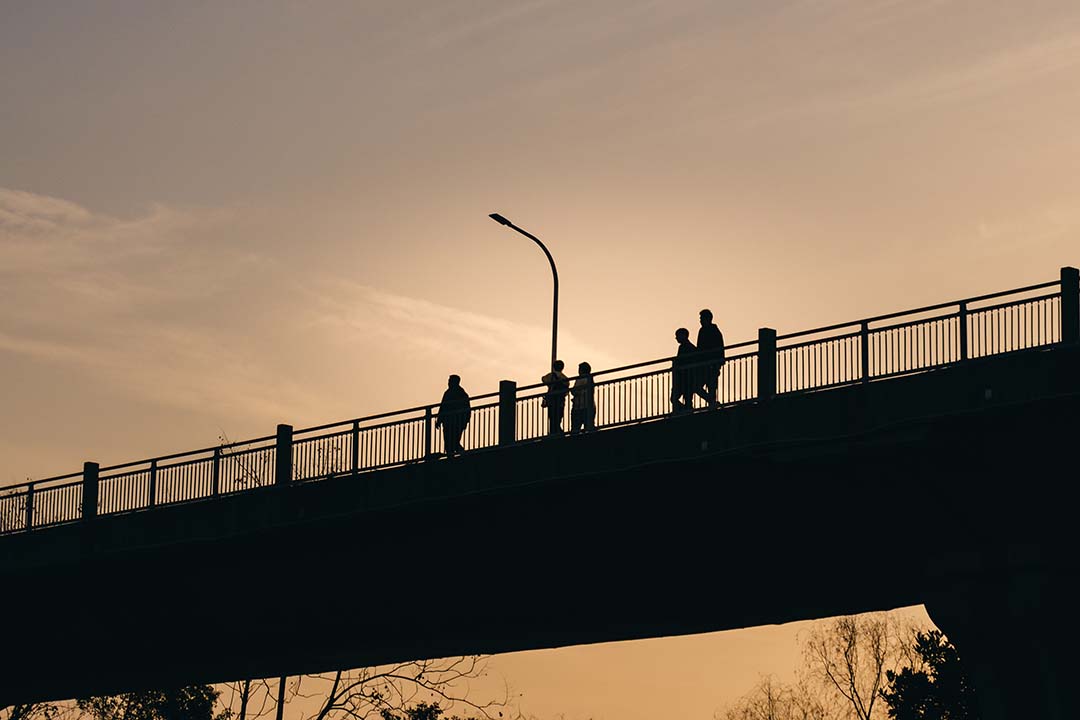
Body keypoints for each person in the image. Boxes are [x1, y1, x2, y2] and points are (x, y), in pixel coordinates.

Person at [695, 308, 726, 408]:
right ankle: (712, 402)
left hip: (712, 364)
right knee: (698, 387)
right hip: (704, 364)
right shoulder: (702, 331)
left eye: (701, 318)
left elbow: (719, 347)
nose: (700, 321)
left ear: (707, 319)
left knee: (711, 386)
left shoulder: (714, 331)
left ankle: (712, 404)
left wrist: (719, 362)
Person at [435, 374, 471, 456]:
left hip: (456, 422)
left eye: (450, 381)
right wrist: (439, 420)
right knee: (449, 443)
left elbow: (467, 409)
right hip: (449, 422)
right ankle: (453, 456)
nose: (448, 383)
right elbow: (443, 407)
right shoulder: (449, 393)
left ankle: (460, 454)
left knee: (453, 442)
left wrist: (465, 422)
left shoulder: (461, 394)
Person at [671, 328, 697, 413]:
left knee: (678, 398)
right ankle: (685, 410)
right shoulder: (685, 346)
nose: (676, 338)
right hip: (684, 377)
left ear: (683, 336)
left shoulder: (687, 347)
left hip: (686, 378)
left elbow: (683, 361)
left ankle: (684, 411)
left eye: (678, 336)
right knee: (685, 399)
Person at [541, 360, 570, 436]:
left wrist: (551, 384)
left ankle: (554, 433)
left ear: (554, 367)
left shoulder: (551, 376)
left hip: (552, 401)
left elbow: (543, 379)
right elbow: (566, 388)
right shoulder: (565, 378)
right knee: (558, 418)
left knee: (552, 418)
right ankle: (558, 432)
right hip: (560, 402)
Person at [570, 361, 596, 434]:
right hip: (590, 406)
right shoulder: (590, 379)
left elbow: (574, 391)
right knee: (589, 427)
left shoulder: (580, 379)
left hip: (579, 407)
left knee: (575, 429)